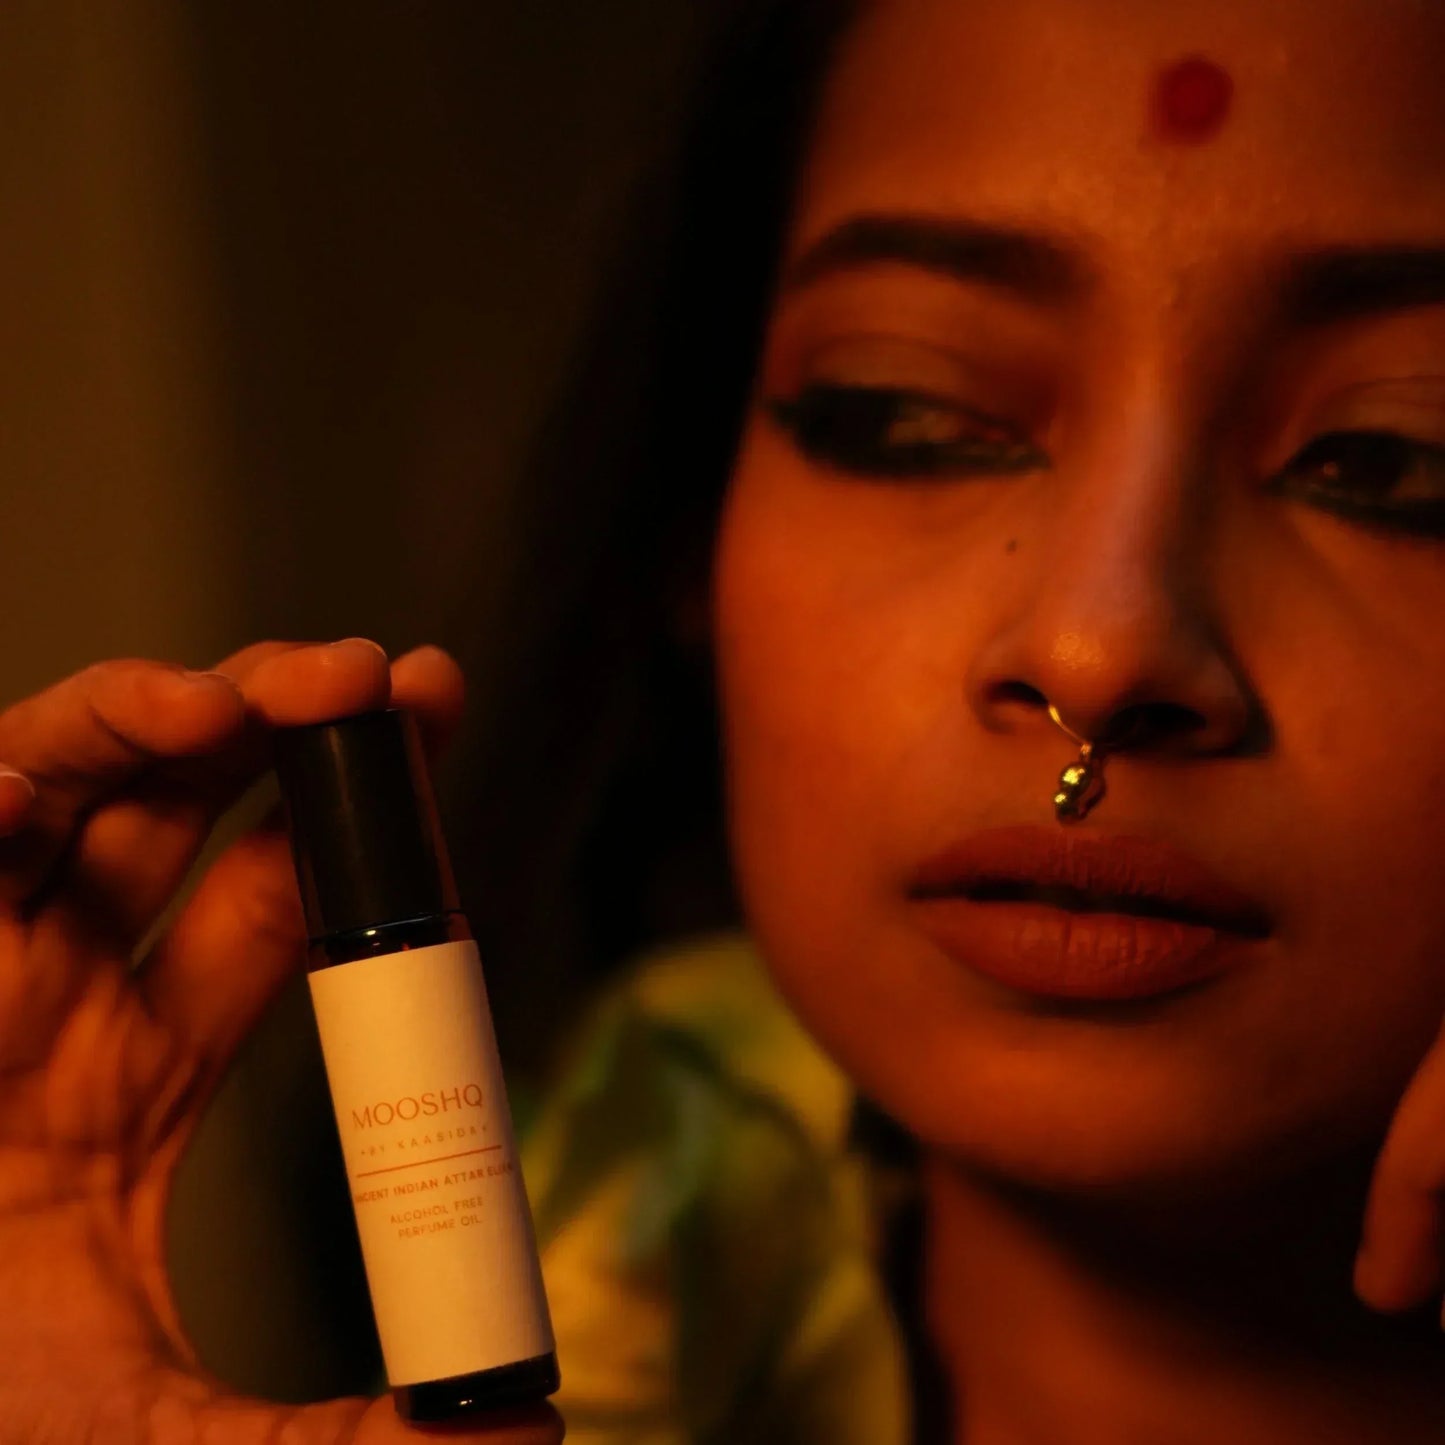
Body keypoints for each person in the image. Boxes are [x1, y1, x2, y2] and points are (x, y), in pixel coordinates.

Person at [5, 0, 1445, 1441]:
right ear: (691, 531)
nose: (1101, 639)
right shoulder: (573, 1266)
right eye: (906, 413)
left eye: (1391, 458)